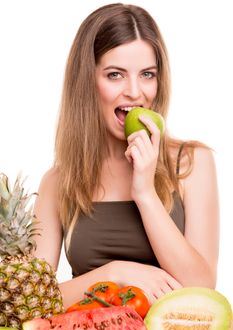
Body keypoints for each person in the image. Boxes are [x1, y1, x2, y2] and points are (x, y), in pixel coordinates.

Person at [33, 3, 219, 310]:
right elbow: (34, 303)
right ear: (87, 83)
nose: (135, 91)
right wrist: (114, 274)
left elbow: (201, 289)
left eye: (147, 74)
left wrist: (145, 192)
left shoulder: (191, 163)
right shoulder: (58, 181)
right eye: (115, 74)